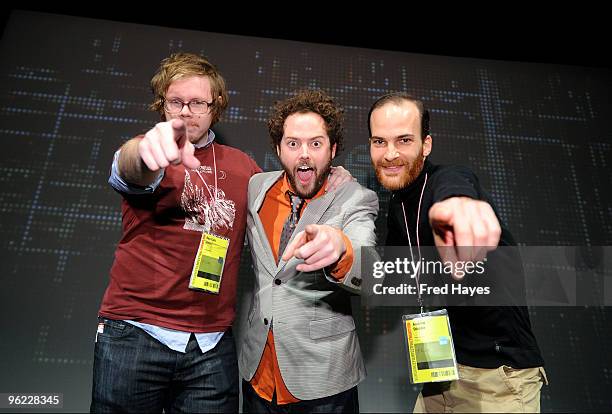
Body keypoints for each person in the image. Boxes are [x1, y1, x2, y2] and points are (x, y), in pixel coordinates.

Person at [90, 52, 353, 413]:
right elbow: (129, 168)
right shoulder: (152, 150)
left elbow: (291, 189)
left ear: (216, 107)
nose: (186, 112)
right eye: (175, 102)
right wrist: (142, 153)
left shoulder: (243, 167)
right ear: (161, 105)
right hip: (135, 334)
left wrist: (334, 176)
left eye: (197, 102)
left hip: (210, 347)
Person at [368, 92, 547, 413]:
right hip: (440, 374)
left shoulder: (448, 178)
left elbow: (457, 187)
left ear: (426, 145)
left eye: (404, 140)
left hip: (496, 381)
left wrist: (459, 206)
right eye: (379, 141)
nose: (390, 153)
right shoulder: (398, 206)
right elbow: (392, 272)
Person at [239, 89, 378, 413]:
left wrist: (341, 249)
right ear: (278, 148)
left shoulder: (356, 198)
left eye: (316, 144)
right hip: (258, 373)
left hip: (323, 382)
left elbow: (368, 269)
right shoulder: (257, 187)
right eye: (293, 143)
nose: (304, 154)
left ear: (333, 149)